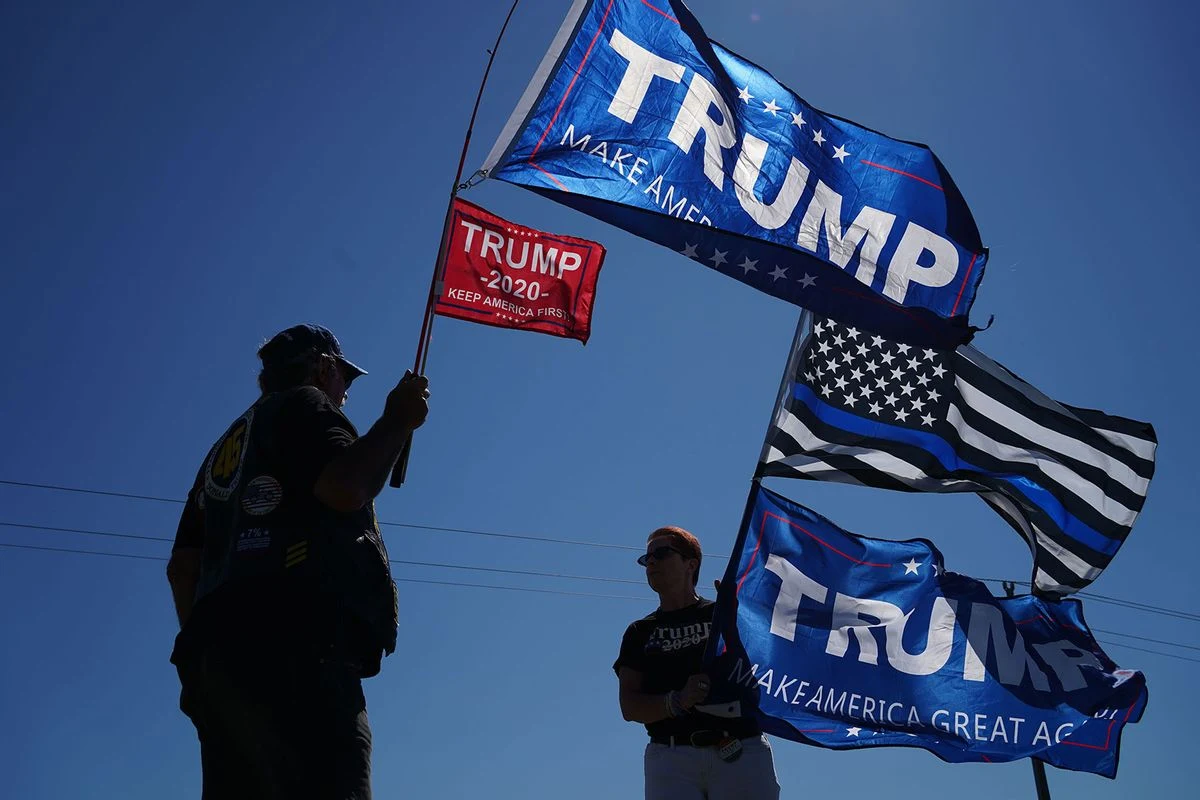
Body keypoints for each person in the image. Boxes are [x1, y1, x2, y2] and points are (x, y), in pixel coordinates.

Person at [166, 323, 430, 800]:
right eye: (344, 379)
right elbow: (343, 487)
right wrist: (398, 420)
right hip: (300, 648)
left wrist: (209, 648)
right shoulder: (307, 406)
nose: (345, 393)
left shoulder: (222, 451)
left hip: (216, 671)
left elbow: (182, 568)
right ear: (322, 367)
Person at [614, 526, 780, 800]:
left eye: (661, 553)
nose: (651, 562)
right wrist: (678, 700)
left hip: (740, 750)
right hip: (671, 759)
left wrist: (737, 622)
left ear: (691, 564)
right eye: (647, 558)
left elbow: (759, 675)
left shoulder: (724, 613)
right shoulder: (639, 633)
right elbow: (630, 706)